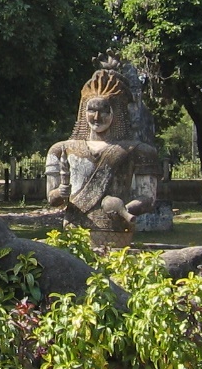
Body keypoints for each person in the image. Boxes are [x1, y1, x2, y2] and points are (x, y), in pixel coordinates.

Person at [44, 68, 160, 248]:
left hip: (117, 232)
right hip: (74, 231)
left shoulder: (138, 151)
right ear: (83, 111)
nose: (97, 117)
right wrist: (60, 193)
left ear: (116, 112)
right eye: (91, 110)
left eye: (104, 111)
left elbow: (148, 198)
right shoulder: (61, 150)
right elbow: (52, 199)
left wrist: (124, 209)